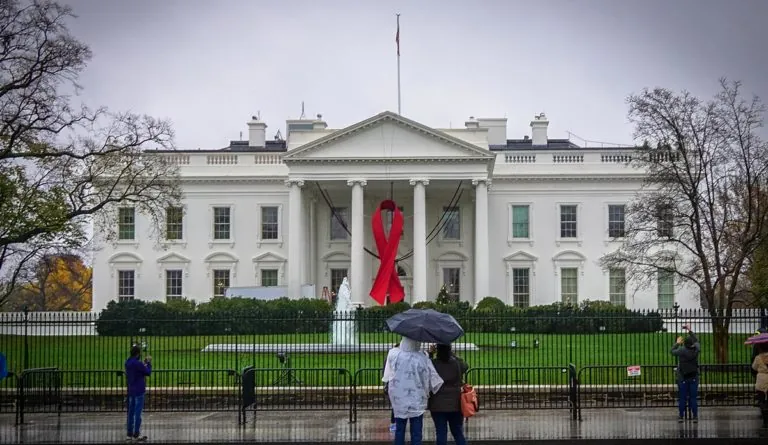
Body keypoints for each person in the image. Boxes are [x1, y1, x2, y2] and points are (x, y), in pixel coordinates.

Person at [383, 337, 443, 445]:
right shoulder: (422, 357)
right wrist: (427, 392)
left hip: (398, 398)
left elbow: (387, 375)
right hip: (417, 398)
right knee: (416, 431)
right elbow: (428, 378)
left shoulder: (393, 354)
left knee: (399, 430)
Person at [428, 343, 469, 445]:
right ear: (449, 350)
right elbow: (465, 366)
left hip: (438, 403)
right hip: (456, 403)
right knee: (458, 432)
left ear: (438, 350)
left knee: (441, 433)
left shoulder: (433, 363)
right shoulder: (456, 363)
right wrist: (453, 354)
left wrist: (430, 353)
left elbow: (425, 368)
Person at [671, 325, 699, 423]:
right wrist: (689, 330)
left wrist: (677, 343)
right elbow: (696, 340)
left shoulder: (682, 350)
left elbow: (672, 351)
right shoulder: (696, 350)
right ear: (692, 344)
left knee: (682, 398)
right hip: (693, 376)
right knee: (693, 398)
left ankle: (681, 416)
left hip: (682, 377)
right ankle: (695, 416)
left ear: (684, 343)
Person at [125, 344, 152, 442]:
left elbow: (137, 371)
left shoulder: (127, 362)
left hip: (131, 389)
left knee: (130, 413)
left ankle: (129, 434)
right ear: (137, 354)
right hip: (139, 390)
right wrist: (148, 363)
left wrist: (143, 365)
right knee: (138, 413)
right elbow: (148, 372)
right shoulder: (138, 363)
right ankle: (136, 434)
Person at [384, 343, 400, 433]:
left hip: (394, 385)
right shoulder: (393, 355)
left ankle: (394, 423)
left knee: (395, 406)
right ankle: (394, 423)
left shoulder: (391, 355)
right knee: (395, 406)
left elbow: (385, 371)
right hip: (395, 384)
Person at [752, 343, 768, 428]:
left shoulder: (758, 358)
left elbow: (754, 367)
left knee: (762, 401)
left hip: (761, 381)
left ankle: (765, 422)